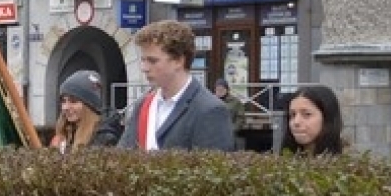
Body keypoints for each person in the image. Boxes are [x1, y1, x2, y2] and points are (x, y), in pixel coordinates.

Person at [116, 20, 234, 152]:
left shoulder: (210, 110)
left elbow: (214, 169)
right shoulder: (143, 105)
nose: (144, 68)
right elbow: (121, 158)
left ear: (179, 60)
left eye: (152, 61)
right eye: (143, 60)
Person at [52, 71, 122, 152]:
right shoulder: (65, 134)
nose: (66, 107)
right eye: (64, 101)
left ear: (88, 106)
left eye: (73, 101)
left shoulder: (104, 140)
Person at [277, 84, 347, 156]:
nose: (296, 122)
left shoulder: (348, 163)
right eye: (292, 115)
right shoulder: (282, 163)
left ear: (327, 117)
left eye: (307, 114)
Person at [214, 78, 247, 150]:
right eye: (217, 89)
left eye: (222, 89)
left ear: (227, 90)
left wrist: (233, 129)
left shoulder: (236, 102)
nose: (219, 91)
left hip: (230, 134)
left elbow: (241, 118)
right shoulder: (211, 101)